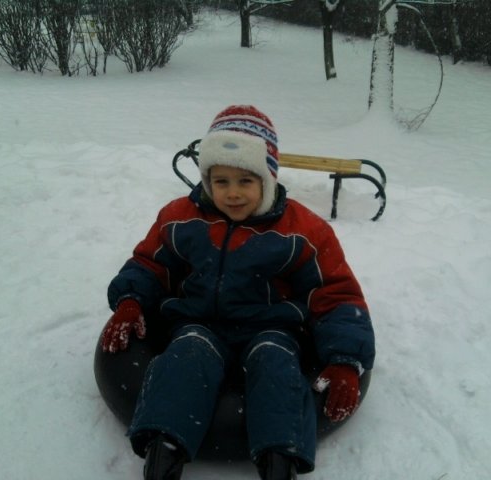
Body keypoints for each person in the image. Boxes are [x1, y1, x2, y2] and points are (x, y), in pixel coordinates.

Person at [102, 105, 375, 480]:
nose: (232, 193)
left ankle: (279, 462)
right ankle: (164, 454)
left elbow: (336, 295)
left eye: (245, 181)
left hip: (271, 329)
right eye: (221, 181)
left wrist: (345, 358)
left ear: (268, 178)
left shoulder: (303, 232)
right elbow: (150, 264)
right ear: (206, 179)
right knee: (184, 358)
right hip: (198, 323)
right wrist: (131, 301)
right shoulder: (180, 219)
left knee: (276, 366)